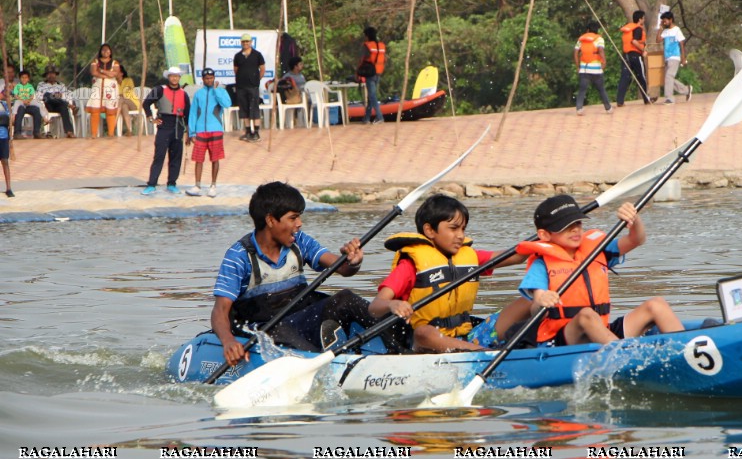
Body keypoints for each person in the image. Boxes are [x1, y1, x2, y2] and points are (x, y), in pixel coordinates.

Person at [211, 181, 379, 366]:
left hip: (301, 316)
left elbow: (343, 268)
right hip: (266, 328)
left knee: (345, 298)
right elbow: (220, 311)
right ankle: (326, 364)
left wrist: (353, 262)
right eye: (293, 218)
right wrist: (228, 341)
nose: (299, 224)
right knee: (279, 329)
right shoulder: (238, 256)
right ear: (270, 220)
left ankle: (404, 347)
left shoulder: (300, 241)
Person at [515, 194, 684, 346]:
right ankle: (625, 356)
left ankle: (686, 349)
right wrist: (543, 299)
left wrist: (634, 221)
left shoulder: (597, 249)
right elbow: (536, 306)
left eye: (577, 223)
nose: (575, 229)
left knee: (656, 305)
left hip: (603, 330)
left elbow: (635, 240)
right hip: (564, 338)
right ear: (544, 235)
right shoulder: (541, 264)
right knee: (586, 315)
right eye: (565, 226)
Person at [369, 194, 528, 353]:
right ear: (429, 230)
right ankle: (488, 354)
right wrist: (392, 304)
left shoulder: (470, 256)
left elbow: (516, 256)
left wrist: (544, 241)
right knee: (423, 332)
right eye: (453, 228)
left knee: (529, 300)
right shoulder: (410, 265)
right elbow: (375, 306)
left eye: (463, 229)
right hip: (430, 344)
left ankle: (535, 345)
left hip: (470, 336)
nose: (460, 235)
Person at [141, 66, 191, 195]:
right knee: (159, 156)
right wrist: (151, 119)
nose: (174, 78)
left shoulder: (183, 94)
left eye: (176, 76)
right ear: (168, 77)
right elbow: (146, 103)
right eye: (172, 76)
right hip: (164, 126)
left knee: (176, 157)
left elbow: (188, 115)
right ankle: (151, 184)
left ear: (179, 77)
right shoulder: (159, 90)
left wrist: (188, 133)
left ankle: (172, 183)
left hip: (178, 127)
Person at [186, 68, 231, 198]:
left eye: (211, 78)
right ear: (203, 80)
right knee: (198, 158)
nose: (209, 80)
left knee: (215, 158)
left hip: (216, 129)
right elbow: (193, 113)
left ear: (214, 78)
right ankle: (197, 185)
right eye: (207, 78)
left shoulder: (220, 91)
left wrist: (217, 91)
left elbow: (227, 104)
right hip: (200, 130)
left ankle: (213, 185)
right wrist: (192, 132)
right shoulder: (198, 94)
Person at [574, 21, 613, 115]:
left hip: (584, 69)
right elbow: (601, 51)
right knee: (601, 89)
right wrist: (604, 62)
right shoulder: (599, 39)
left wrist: (578, 66)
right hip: (596, 69)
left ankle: (579, 108)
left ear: (587, 30)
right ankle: (608, 108)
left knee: (582, 89)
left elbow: (575, 53)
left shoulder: (581, 39)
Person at [233, 33, 266, 142]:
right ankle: (248, 131)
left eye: (247, 41)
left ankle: (256, 132)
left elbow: (262, 69)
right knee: (244, 108)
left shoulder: (257, 55)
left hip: (253, 86)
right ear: (241, 43)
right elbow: (236, 70)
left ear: (251, 42)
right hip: (241, 86)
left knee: (254, 108)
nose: (245, 43)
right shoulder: (238, 56)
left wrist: (257, 79)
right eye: (243, 42)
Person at [615, 10, 650, 107]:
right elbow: (634, 41)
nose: (644, 20)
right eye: (643, 18)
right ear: (640, 19)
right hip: (635, 56)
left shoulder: (629, 29)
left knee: (625, 78)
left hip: (626, 56)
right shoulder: (638, 29)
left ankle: (620, 101)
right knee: (641, 77)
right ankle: (646, 99)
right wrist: (643, 50)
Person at [86, 43, 121, 138]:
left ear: (111, 51)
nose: (106, 52)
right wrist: (107, 75)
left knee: (110, 111)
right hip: (97, 87)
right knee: (95, 110)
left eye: (108, 50)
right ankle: (93, 133)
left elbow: (115, 74)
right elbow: (94, 72)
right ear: (100, 52)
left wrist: (101, 71)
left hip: (110, 89)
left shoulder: (115, 62)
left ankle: (110, 133)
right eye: (104, 50)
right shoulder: (95, 61)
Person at [33, 65, 77, 138]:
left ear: (55, 74)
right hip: (47, 105)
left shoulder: (61, 85)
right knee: (47, 95)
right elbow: (39, 96)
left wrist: (61, 95)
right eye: (49, 74)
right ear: (46, 75)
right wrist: (53, 95)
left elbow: (67, 95)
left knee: (63, 107)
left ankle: (69, 131)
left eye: (53, 73)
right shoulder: (41, 85)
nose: (51, 75)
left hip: (58, 106)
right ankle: (69, 105)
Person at [659, 11, 692, 104]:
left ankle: (669, 98)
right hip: (666, 57)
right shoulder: (665, 31)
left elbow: (681, 44)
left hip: (675, 57)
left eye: (665, 21)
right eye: (663, 21)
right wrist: (660, 29)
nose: (664, 22)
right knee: (668, 78)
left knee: (669, 76)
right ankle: (686, 90)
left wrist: (683, 58)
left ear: (671, 20)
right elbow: (658, 40)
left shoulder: (677, 30)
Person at [358, 27, 386, 124]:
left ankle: (380, 117)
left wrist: (358, 73)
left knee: (372, 96)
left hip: (369, 73)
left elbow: (362, 59)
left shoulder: (367, 45)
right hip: (379, 72)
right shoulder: (381, 45)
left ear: (367, 35)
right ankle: (366, 118)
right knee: (371, 95)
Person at [11, 69, 42, 139]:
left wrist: (28, 100)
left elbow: (32, 95)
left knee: (37, 109)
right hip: (20, 104)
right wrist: (22, 100)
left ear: (28, 79)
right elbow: (16, 95)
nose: (24, 79)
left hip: (28, 104)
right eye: (22, 77)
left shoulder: (30, 86)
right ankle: (17, 133)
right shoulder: (17, 86)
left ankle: (37, 132)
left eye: (26, 77)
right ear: (20, 78)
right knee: (20, 109)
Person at [115, 63, 141, 136]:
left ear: (121, 73)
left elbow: (125, 93)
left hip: (133, 103)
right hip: (123, 103)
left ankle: (114, 123)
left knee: (121, 99)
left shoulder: (128, 80)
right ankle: (129, 130)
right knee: (123, 106)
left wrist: (120, 95)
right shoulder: (113, 83)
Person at [0, 98, 12, 197]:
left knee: (5, 161)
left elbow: (9, 119)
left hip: (3, 136)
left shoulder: (4, 104)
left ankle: (9, 188)